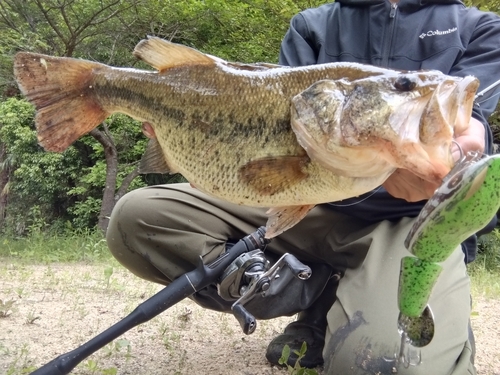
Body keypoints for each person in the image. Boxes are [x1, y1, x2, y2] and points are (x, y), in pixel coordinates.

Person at [106, 1, 500, 374]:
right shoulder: (312, 26)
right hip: (307, 206)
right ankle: (314, 296)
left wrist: (464, 151)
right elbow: (273, 126)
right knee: (137, 218)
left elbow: (473, 119)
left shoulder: (480, 29)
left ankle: (399, 307)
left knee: (386, 362)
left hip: (406, 226)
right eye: (403, 87)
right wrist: (210, 154)